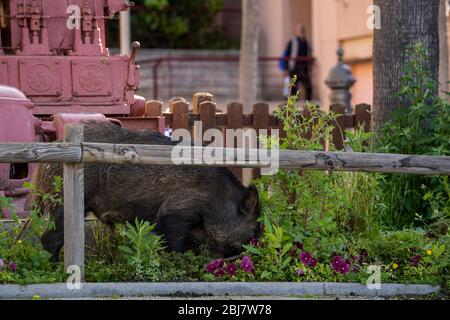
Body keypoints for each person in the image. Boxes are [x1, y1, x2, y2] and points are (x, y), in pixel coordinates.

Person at [280, 24, 313, 100]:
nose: (300, 32)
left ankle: (308, 103)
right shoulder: (292, 41)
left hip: (304, 68)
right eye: (299, 30)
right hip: (294, 68)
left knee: (308, 86)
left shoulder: (306, 42)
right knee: (293, 87)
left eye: (302, 30)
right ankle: (293, 104)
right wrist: (286, 68)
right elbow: (287, 54)